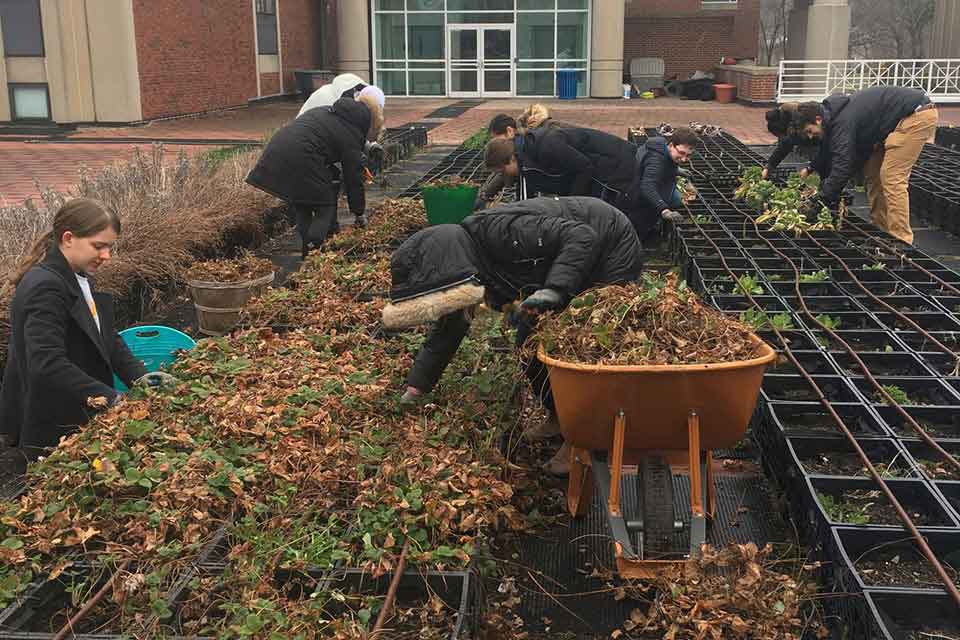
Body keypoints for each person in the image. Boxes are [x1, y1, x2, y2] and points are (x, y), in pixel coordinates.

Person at [381, 196, 643, 475]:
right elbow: (450, 329)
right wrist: (416, 387)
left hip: (609, 246)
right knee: (527, 348)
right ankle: (559, 418)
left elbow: (581, 236)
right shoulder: (465, 271)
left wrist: (555, 289)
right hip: (567, 266)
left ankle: (581, 444)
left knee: (580, 350)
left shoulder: (500, 232)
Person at [0, 199, 174, 465]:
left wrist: (140, 377)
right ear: (68, 238)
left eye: (109, 247)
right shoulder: (45, 287)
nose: (107, 256)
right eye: (99, 246)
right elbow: (46, 363)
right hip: (52, 422)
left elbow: (106, 336)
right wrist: (112, 397)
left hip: (76, 411)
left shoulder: (75, 276)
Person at [774, 86, 938, 244]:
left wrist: (821, 199)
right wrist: (816, 174)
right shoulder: (832, 117)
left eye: (810, 131)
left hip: (916, 115)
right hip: (889, 126)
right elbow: (835, 156)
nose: (810, 137)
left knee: (892, 177)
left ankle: (901, 240)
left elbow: (843, 165)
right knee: (872, 174)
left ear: (818, 119)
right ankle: (880, 228)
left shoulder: (842, 123)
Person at [246, 93, 384, 259]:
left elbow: (332, 139)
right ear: (367, 122)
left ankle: (308, 254)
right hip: (302, 156)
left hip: (279, 150)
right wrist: (359, 213)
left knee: (303, 204)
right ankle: (314, 251)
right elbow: (353, 179)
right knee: (325, 205)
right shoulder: (350, 132)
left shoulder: (329, 112)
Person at [484, 124, 638, 210]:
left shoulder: (548, 146)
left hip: (616, 165)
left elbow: (584, 167)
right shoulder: (524, 157)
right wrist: (484, 196)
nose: (504, 175)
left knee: (618, 217)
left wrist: (570, 203)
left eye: (502, 171)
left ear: (511, 159)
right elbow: (524, 194)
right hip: (597, 172)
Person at [621, 126, 698, 239]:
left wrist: (677, 170)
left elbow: (664, 164)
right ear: (671, 145)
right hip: (635, 197)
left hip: (641, 183)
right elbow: (647, 186)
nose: (684, 159)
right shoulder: (656, 161)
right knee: (641, 229)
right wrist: (664, 210)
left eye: (688, 155)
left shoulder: (662, 145)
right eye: (681, 153)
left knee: (676, 198)